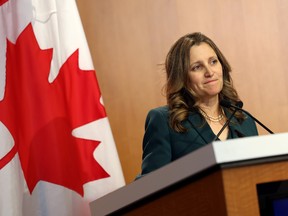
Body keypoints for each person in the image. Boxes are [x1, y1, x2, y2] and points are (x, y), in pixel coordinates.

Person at [137, 32, 258, 178]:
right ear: (181, 77)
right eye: (197, 67)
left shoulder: (244, 120)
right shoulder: (165, 120)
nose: (209, 72)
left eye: (213, 61)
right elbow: (150, 185)